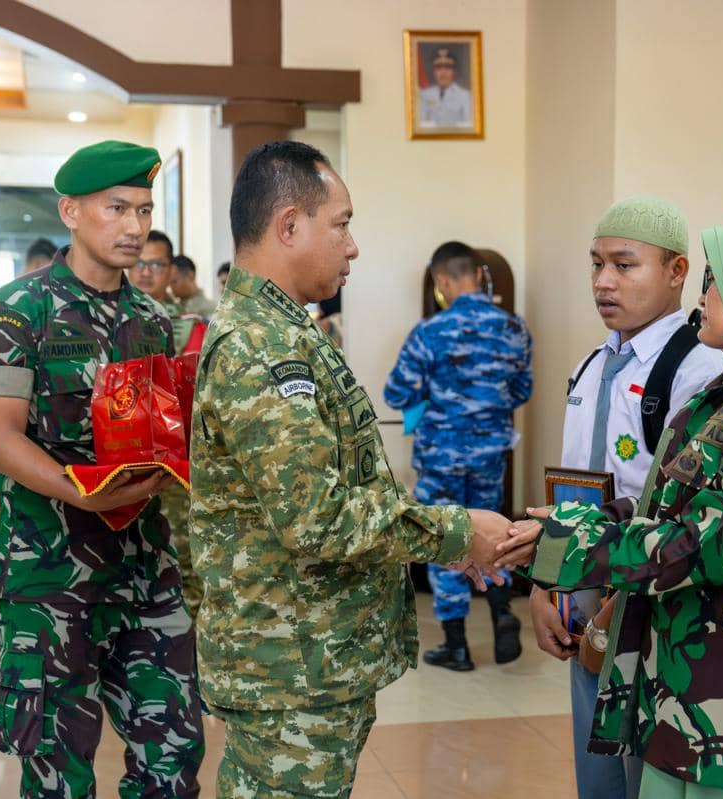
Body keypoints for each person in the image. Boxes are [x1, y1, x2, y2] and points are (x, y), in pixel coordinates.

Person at [190, 140, 513, 798]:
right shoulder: (259, 344)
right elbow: (316, 516)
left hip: (311, 660)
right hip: (287, 669)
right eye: (341, 224)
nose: (353, 245)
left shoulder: (289, 328)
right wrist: (454, 532)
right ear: (289, 225)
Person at [504, 219, 723, 797]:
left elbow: (702, 546)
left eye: (717, 281)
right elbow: (669, 505)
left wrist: (570, 541)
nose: (703, 297)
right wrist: (576, 524)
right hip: (684, 690)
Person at [0, 140, 203, 797]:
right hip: (50, 578)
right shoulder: (15, 311)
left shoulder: (152, 319)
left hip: (144, 571)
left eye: (144, 210)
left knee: (174, 758)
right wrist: (81, 492)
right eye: (116, 208)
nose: (135, 226)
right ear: (71, 212)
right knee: (58, 775)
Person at [527, 196, 723, 799]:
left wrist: (616, 603)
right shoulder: (592, 365)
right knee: (597, 777)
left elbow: (687, 515)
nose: (603, 282)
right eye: (596, 264)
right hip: (583, 604)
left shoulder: (698, 371)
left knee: (644, 774)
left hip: (645, 609)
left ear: (676, 271)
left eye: (624, 265)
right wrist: (547, 586)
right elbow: (572, 494)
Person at [384, 241, 533, 670]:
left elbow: (396, 392)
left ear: (442, 280)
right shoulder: (514, 328)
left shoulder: (430, 331)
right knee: (495, 533)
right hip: (491, 455)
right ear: (479, 275)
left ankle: (456, 644)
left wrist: (436, 396)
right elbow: (521, 390)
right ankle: (502, 614)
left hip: (441, 457)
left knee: (446, 538)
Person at [128, 229, 205, 617]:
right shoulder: (107, 320)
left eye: (156, 264)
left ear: (171, 270)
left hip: (177, 468)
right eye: (139, 263)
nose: (145, 272)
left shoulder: (193, 325)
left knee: (185, 564)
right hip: (123, 466)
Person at [418, 47, 472, 128]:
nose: (443, 72)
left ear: (454, 72)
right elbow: (420, 125)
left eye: (447, 68)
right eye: (439, 68)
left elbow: (468, 126)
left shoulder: (465, 96)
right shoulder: (424, 95)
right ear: (434, 72)